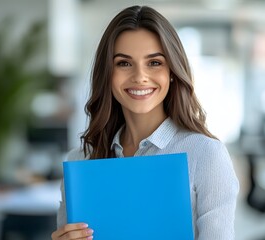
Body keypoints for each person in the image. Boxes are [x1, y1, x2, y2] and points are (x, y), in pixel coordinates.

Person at [52, 5, 239, 240]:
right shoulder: (80, 161)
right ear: (107, 73)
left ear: (172, 71)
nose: (140, 76)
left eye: (154, 63)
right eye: (124, 63)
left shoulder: (206, 155)